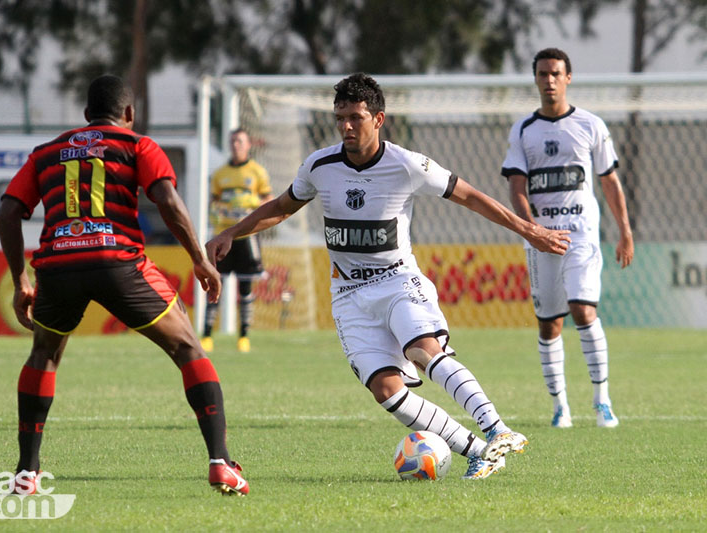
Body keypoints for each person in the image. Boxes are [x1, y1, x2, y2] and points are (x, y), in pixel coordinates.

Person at [207, 73, 572, 479]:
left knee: (423, 348)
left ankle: (498, 428)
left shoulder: (408, 164)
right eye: (340, 117)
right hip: (348, 293)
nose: (346, 126)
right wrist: (230, 233)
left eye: (356, 118)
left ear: (378, 119)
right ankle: (477, 451)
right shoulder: (319, 165)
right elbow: (281, 205)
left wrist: (530, 230)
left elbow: (471, 196)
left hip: (398, 281)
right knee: (385, 388)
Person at [0, 74, 248, 495]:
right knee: (187, 345)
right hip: (117, 263)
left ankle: (26, 473)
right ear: (129, 113)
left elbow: (8, 212)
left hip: (57, 266)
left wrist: (21, 279)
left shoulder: (46, 153)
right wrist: (200, 260)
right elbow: (166, 200)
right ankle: (221, 462)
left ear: (85, 115)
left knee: (43, 355)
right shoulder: (137, 145)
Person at [501, 48, 634, 429]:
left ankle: (602, 401)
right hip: (541, 240)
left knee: (583, 311)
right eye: (543, 74)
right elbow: (517, 187)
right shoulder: (523, 130)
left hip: (582, 236)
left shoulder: (591, 125)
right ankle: (561, 407)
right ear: (536, 79)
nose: (549, 81)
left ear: (568, 78)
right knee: (549, 325)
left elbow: (609, 181)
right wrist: (534, 231)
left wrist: (625, 231)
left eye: (556, 73)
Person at [200, 128, 273, 353]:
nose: (236, 145)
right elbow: (213, 201)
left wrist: (249, 206)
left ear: (248, 145)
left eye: (240, 142)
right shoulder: (221, 174)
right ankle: (206, 335)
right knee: (215, 282)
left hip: (247, 236)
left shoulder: (257, 172)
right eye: (232, 141)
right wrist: (220, 211)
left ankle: (243, 336)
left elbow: (269, 199)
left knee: (245, 285)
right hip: (224, 235)